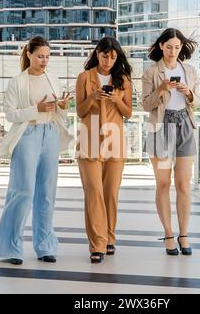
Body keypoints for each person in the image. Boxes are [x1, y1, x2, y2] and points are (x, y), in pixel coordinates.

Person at [0, 36, 73, 265]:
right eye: (40, 56)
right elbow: (11, 115)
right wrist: (35, 108)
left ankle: (45, 246)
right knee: (23, 190)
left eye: (48, 56)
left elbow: (60, 114)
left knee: (47, 192)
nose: (44, 60)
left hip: (50, 134)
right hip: (27, 134)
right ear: (29, 54)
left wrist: (63, 107)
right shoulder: (17, 82)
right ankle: (10, 248)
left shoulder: (52, 78)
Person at [142, 28, 199, 256]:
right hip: (161, 126)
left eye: (177, 47)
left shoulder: (190, 71)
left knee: (184, 184)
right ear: (160, 47)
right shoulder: (151, 72)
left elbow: (196, 102)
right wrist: (162, 88)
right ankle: (168, 234)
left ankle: (184, 234)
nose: (173, 51)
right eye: (169, 47)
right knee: (164, 183)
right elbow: (146, 104)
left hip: (185, 124)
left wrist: (188, 93)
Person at [75, 37, 132, 263]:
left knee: (110, 194)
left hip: (114, 141)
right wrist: (92, 97)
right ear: (97, 53)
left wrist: (117, 99)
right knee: (94, 194)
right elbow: (80, 111)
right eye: (105, 55)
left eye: (113, 56)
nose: (108, 60)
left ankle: (109, 238)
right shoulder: (84, 78)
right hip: (89, 140)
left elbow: (128, 112)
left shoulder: (123, 79)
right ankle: (97, 244)